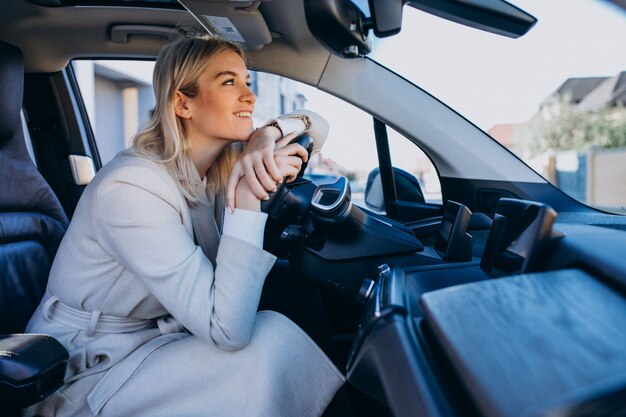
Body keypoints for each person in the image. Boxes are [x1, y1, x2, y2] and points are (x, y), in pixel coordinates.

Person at [24, 32, 344, 417]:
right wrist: (247, 200)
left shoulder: (217, 167)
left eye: (248, 81)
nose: (250, 96)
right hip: (83, 370)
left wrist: (266, 134)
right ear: (183, 103)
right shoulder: (130, 187)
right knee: (268, 343)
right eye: (229, 82)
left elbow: (318, 125)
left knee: (291, 301)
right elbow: (227, 330)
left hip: (154, 339)